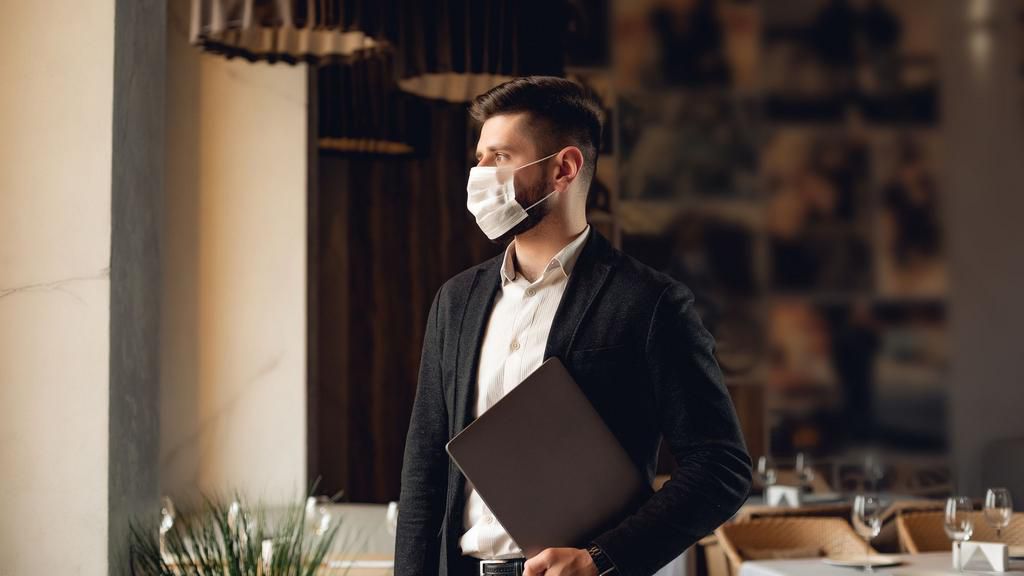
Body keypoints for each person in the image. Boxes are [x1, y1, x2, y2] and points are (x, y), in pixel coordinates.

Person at [395, 76, 751, 576]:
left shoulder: (651, 303)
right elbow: (424, 470)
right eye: (479, 159)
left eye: (499, 158)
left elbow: (721, 468)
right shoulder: (455, 301)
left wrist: (601, 560)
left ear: (564, 168)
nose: (479, 175)